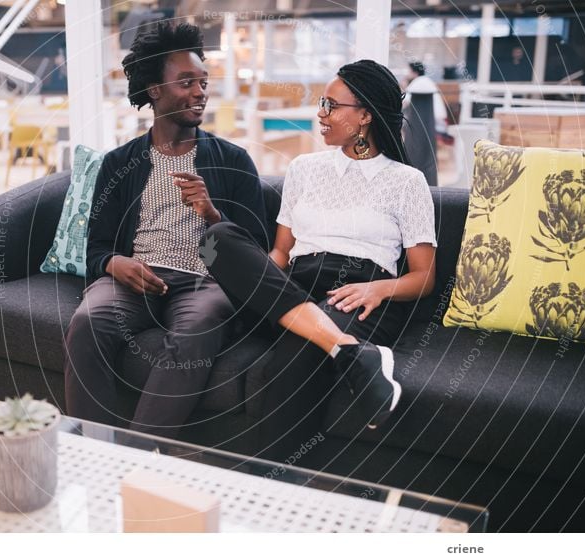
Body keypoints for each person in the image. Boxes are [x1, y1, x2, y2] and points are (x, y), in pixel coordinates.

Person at [205, 60, 437, 461]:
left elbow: (425, 277)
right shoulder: (303, 169)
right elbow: (280, 252)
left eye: (331, 105)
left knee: (295, 357)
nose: (320, 114)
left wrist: (378, 288)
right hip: (294, 287)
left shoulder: (406, 181)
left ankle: (269, 488)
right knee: (215, 239)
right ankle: (350, 352)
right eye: (321, 103)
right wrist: (251, 276)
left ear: (364, 115)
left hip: (354, 294)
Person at [64, 22, 266, 439]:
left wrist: (212, 214)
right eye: (186, 82)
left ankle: (137, 452)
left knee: (198, 328)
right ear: (155, 91)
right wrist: (115, 263)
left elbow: (257, 249)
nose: (200, 92)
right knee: (87, 321)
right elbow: (97, 245)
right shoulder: (119, 164)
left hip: (203, 284)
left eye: (203, 82)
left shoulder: (234, 161)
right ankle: (93, 446)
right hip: (136, 279)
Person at [403, 61, 449, 139]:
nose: (407, 74)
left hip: (432, 123)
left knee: (401, 123)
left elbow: (404, 103)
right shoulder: (427, 81)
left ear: (415, 73)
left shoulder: (417, 82)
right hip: (438, 122)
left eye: (409, 71)